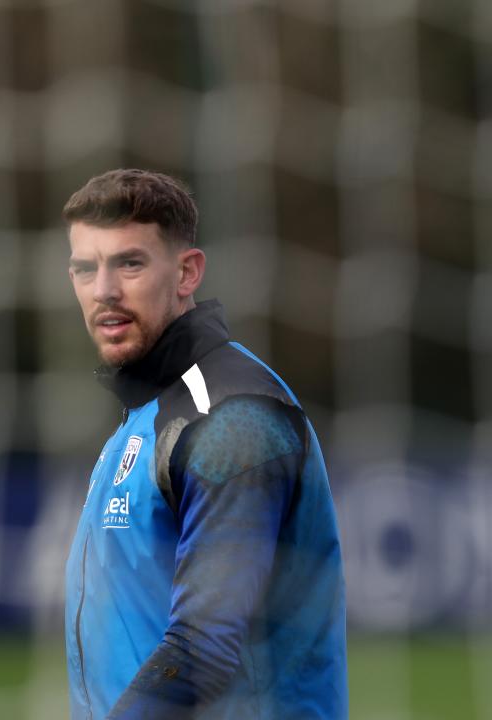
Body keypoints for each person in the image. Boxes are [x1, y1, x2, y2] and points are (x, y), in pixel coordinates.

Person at [61, 169, 347, 720]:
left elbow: (202, 647)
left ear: (187, 272)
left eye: (130, 263)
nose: (103, 291)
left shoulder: (231, 419)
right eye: (84, 269)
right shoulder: (149, 410)